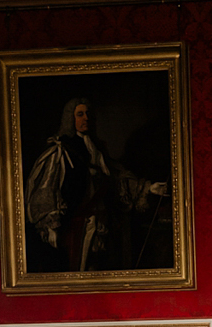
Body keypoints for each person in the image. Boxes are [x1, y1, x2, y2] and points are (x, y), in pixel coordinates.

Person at [23, 96, 170, 273]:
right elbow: (46, 188)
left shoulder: (97, 150)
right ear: (70, 118)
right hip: (75, 227)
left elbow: (116, 178)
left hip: (101, 226)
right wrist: (50, 226)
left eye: (88, 114)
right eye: (80, 114)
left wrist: (148, 187)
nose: (86, 118)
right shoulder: (60, 151)